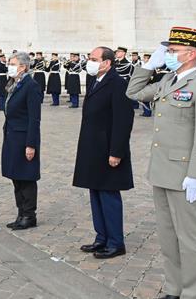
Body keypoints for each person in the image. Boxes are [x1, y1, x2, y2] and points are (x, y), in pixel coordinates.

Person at [127, 26, 196, 299]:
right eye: (167, 51)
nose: (168, 55)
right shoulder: (168, 80)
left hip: (184, 173)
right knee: (168, 236)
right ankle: (174, 287)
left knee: (190, 238)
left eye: (173, 51)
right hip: (161, 170)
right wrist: (147, 66)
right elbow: (133, 93)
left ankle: (192, 292)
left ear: (190, 54)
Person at [74, 46, 134, 260]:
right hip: (92, 149)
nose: (89, 61)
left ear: (106, 62)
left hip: (109, 149)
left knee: (109, 194)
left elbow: (122, 121)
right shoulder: (94, 81)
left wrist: (116, 151)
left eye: (93, 58)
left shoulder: (118, 84)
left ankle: (116, 242)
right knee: (95, 192)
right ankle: (101, 237)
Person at [1, 52, 41, 231]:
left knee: (26, 178)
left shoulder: (30, 86)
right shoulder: (15, 83)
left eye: (12, 63)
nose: (9, 66)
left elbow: (34, 119)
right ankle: (20, 212)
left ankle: (29, 215)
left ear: (23, 67)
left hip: (24, 138)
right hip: (12, 137)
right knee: (16, 176)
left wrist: (31, 144)